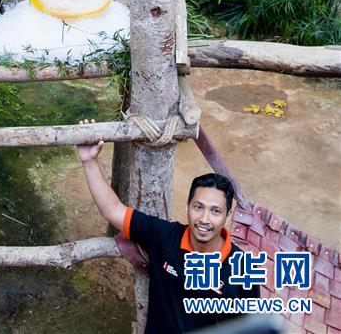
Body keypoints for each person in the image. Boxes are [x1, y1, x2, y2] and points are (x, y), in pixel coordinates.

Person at [76, 140, 260, 333]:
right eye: (198, 207)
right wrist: (89, 161)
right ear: (187, 207)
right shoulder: (163, 237)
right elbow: (113, 210)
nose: (204, 219)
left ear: (228, 216)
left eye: (215, 211)